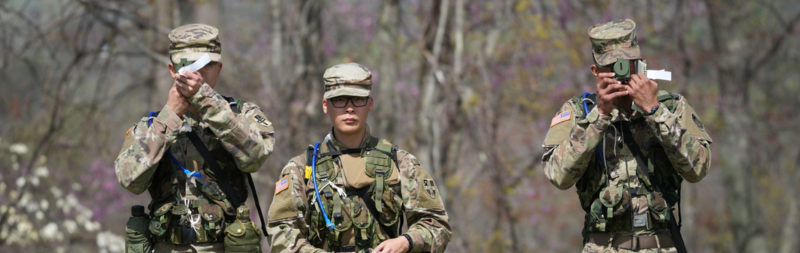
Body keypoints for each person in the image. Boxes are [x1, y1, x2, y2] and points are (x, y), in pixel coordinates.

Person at [541, 19, 712, 253]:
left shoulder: (672, 107)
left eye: (626, 64)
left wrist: (655, 111)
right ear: (595, 72)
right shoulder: (579, 112)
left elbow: (698, 169)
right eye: (611, 67)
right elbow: (558, 176)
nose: (619, 73)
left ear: (640, 65)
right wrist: (599, 117)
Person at [115, 23, 275, 253]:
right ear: (172, 70)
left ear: (219, 68)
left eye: (206, 64)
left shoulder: (242, 115)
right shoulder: (152, 125)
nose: (197, 73)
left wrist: (208, 102)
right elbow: (129, 180)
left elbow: (255, 157)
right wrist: (170, 117)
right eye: (187, 64)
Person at [266, 62, 451, 253]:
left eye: (357, 99)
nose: (349, 109)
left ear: (370, 104)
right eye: (340, 100)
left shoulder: (400, 163)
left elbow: (437, 225)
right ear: (325, 105)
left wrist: (405, 242)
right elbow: (281, 235)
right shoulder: (301, 169)